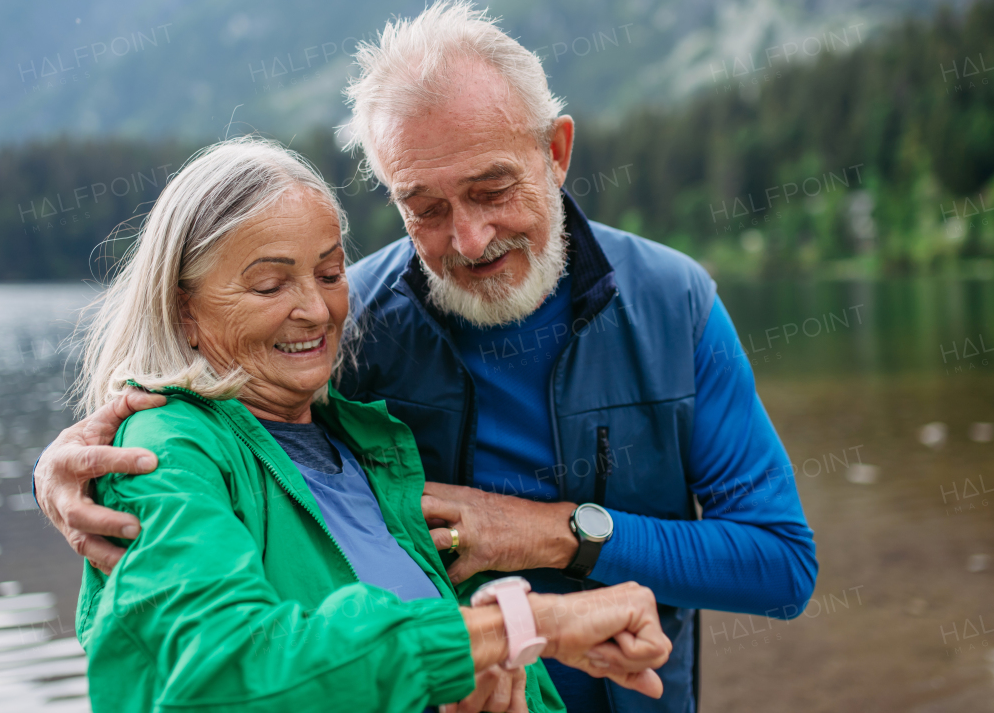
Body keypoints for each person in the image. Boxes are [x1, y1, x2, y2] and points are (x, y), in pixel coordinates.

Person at [36, 0, 818, 713]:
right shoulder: (350, 323)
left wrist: (558, 533)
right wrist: (73, 460)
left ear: (557, 150)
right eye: (426, 208)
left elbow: (782, 565)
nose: (469, 239)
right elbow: (212, 418)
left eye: (492, 189)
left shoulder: (674, 305)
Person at [68, 138, 672, 713]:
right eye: (270, 284)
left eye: (330, 275)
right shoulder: (163, 449)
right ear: (183, 310)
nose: (315, 308)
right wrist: (521, 625)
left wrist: (484, 678)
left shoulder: (364, 444)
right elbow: (220, 676)